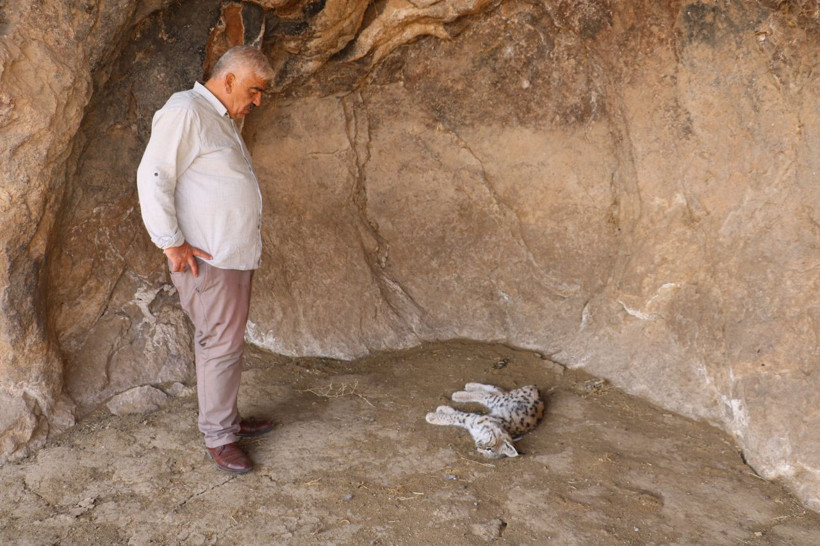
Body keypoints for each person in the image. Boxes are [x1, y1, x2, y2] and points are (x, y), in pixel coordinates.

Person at [137, 46, 276, 474]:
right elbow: (154, 175)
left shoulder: (218, 117)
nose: (257, 102)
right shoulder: (187, 110)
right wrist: (171, 242)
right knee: (220, 344)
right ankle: (219, 436)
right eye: (254, 91)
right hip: (209, 258)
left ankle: (225, 421)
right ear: (229, 79)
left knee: (224, 343)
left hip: (228, 255)